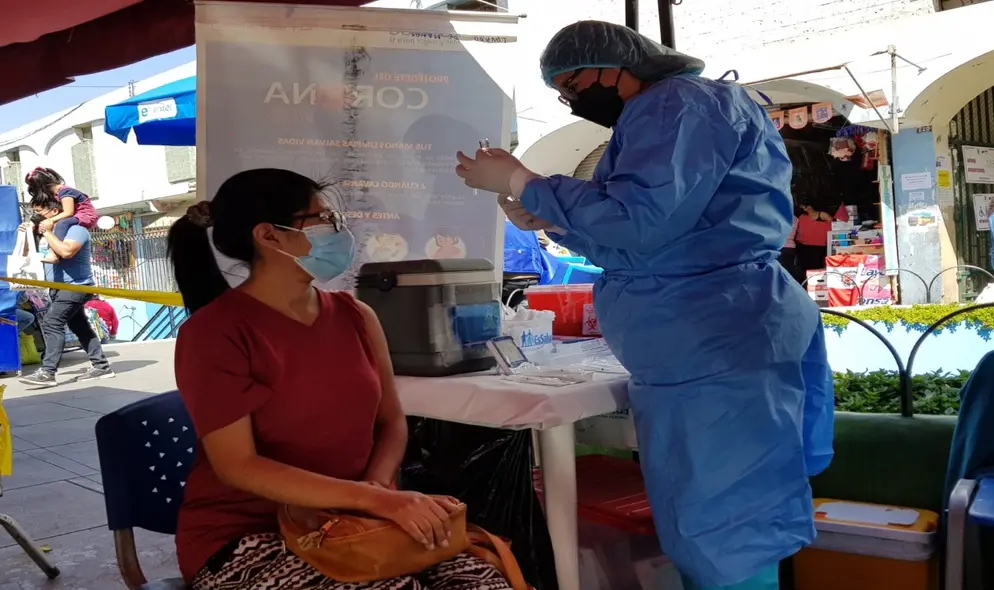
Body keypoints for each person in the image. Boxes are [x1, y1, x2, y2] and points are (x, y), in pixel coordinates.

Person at [454, 21, 834, 590]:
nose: (570, 99)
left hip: (714, 333)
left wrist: (525, 178)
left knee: (726, 524)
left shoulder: (677, 103)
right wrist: (552, 217)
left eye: (571, 83)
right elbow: (646, 242)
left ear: (616, 66)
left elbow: (639, 217)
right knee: (731, 511)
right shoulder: (662, 113)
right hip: (717, 327)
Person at [167, 168, 512, 590]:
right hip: (246, 538)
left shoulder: (357, 316)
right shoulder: (214, 333)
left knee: (483, 581)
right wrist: (374, 499)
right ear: (268, 235)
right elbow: (239, 465)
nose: (337, 231)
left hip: (357, 516)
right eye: (321, 219)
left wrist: (376, 490)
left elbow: (391, 422)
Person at [18, 199, 114, 387]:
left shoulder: (76, 230)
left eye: (40, 212)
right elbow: (26, 255)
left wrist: (47, 231)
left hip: (76, 286)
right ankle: (101, 366)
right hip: (58, 287)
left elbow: (67, 252)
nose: (37, 216)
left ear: (55, 211)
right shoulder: (48, 233)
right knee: (79, 326)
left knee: (52, 322)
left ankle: (48, 372)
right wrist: (25, 235)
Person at [24, 167, 99, 246]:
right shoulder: (57, 194)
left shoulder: (65, 191)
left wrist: (50, 220)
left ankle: (56, 248)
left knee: (62, 223)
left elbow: (68, 212)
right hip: (77, 215)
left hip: (86, 215)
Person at [794, 202, 848, 272]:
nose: (805, 209)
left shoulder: (822, 214)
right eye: (803, 207)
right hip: (804, 246)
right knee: (806, 268)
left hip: (818, 246)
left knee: (817, 267)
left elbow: (834, 225)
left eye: (806, 207)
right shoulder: (802, 216)